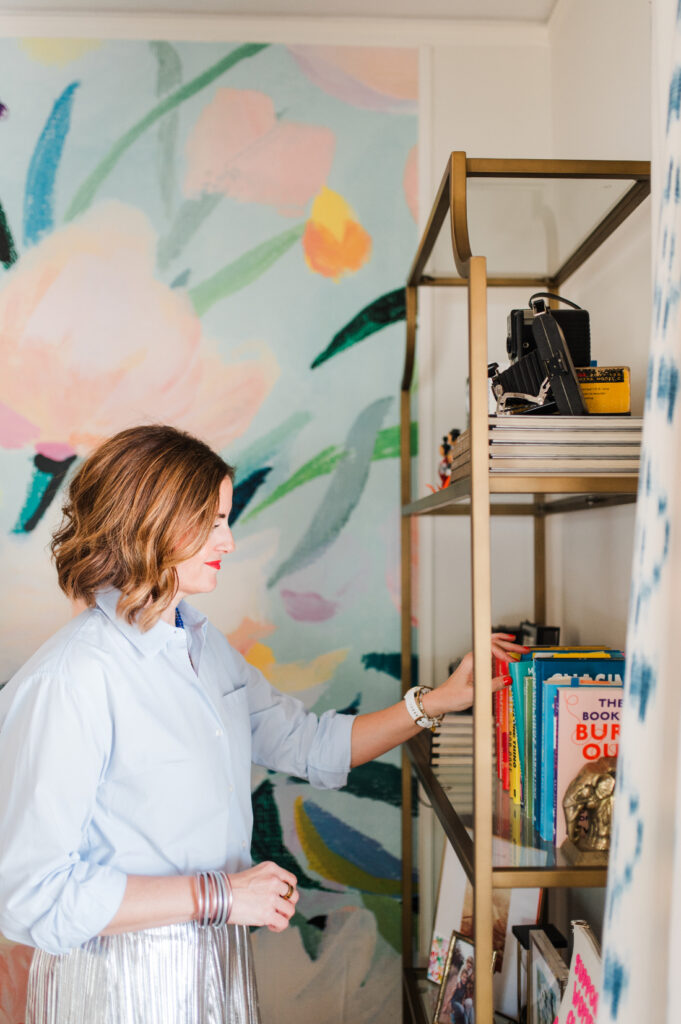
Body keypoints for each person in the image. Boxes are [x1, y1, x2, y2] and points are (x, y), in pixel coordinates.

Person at [0, 425, 524, 1024]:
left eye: (225, 519)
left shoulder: (201, 644)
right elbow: (31, 895)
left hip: (215, 959)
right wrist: (222, 894)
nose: (228, 539)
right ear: (149, 522)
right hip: (120, 985)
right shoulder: (69, 681)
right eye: (211, 522)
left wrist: (437, 702)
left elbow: (309, 743)